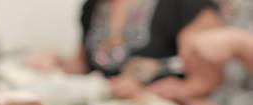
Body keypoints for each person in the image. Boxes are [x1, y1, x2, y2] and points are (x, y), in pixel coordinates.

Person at [26, 0, 221, 98]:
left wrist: (149, 91)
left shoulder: (187, 5)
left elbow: (211, 82)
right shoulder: (93, 5)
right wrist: (56, 63)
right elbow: (83, 65)